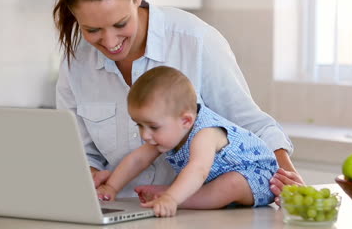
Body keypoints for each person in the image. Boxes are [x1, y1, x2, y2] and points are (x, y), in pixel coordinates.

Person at [53, 0, 304, 202]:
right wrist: (92, 176)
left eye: (120, 24)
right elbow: (79, 153)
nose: (109, 42)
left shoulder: (195, 40)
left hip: (202, 213)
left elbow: (252, 125)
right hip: (120, 211)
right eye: (93, 29)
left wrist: (290, 181)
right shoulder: (75, 63)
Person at [97, 66, 279, 217]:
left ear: (186, 121)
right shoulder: (169, 132)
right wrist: (111, 187)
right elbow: (137, 159)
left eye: (153, 127)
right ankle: (174, 193)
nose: (145, 135)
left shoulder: (205, 133)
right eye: (140, 125)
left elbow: (198, 170)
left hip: (258, 175)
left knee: (231, 183)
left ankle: (178, 197)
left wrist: (172, 198)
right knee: (214, 184)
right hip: (217, 182)